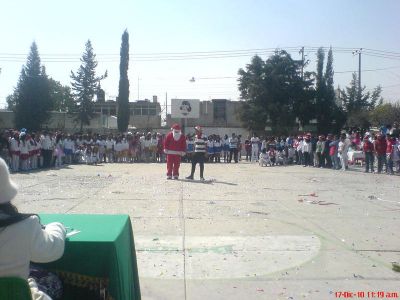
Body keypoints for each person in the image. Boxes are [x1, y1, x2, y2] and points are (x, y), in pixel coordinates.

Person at [0, 157, 66, 300]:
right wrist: (57, 227)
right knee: (51, 280)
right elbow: (51, 251)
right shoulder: (25, 225)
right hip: (14, 295)